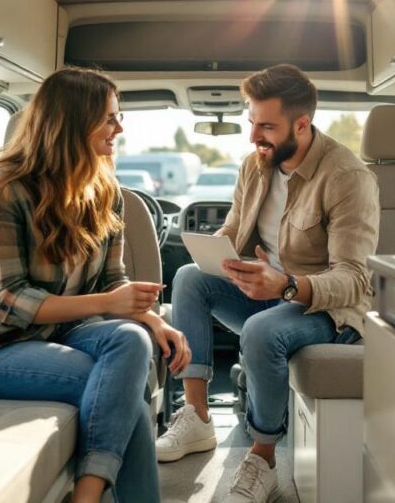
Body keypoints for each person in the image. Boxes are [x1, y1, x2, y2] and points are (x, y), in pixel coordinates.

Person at [0, 67, 191, 503]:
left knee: (132, 341)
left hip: (64, 333)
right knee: (118, 386)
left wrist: (154, 321)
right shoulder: (6, 187)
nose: (119, 128)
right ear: (73, 121)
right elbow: (10, 299)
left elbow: (114, 280)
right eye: (109, 118)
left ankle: (87, 494)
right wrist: (108, 302)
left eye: (119, 117)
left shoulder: (106, 191)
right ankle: (92, 496)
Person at [155, 64, 379, 503]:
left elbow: (354, 279)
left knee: (261, 330)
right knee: (187, 278)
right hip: (269, 292)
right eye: (251, 122)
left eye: (266, 127)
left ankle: (263, 460)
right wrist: (216, 252)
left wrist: (287, 286)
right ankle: (197, 417)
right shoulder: (255, 166)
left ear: (302, 124)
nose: (253, 136)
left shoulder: (348, 178)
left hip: (325, 309)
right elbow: (235, 231)